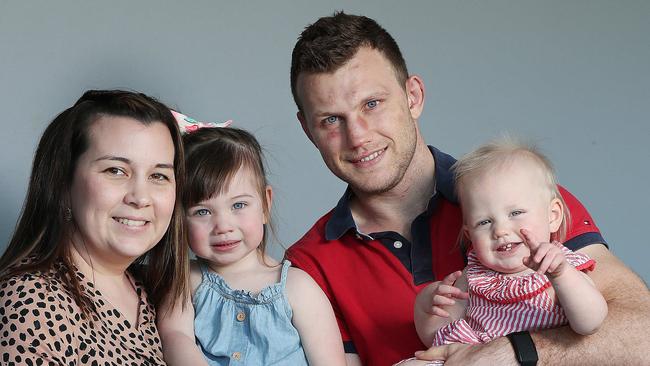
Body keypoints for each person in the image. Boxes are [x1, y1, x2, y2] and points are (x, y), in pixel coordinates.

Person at [286, 11, 650, 366]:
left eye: (372, 103)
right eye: (331, 119)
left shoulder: (520, 198)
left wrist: (511, 353)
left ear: (413, 96)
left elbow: (642, 337)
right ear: (307, 130)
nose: (359, 136)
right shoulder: (309, 266)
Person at [0, 89, 188, 365]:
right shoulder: (29, 302)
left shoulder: (160, 294)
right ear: (63, 182)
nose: (140, 197)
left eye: (158, 176)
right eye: (116, 171)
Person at [397, 139, 608, 366]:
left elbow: (590, 323)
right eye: (484, 222)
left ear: (553, 216)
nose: (500, 230)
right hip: (472, 357)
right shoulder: (474, 276)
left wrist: (562, 275)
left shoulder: (560, 265)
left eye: (516, 212)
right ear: (469, 233)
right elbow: (436, 337)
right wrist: (427, 305)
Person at [157, 126, 346, 365]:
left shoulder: (298, 288)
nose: (223, 226)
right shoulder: (187, 281)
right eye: (202, 211)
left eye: (238, 205)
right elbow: (176, 337)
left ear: (265, 205)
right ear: (180, 219)